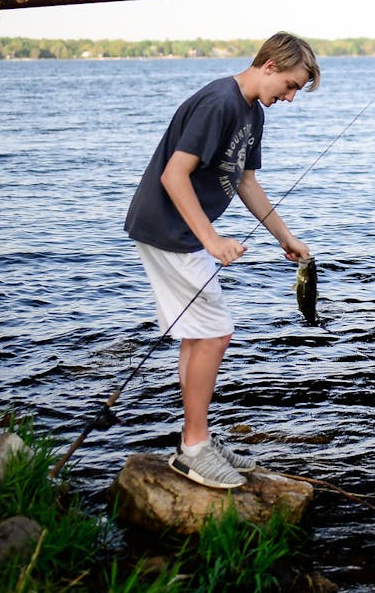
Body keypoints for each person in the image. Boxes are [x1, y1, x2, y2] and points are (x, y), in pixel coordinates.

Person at [125, 32, 320, 489]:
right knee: (215, 331)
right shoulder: (220, 102)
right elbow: (174, 174)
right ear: (269, 65)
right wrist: (211, 239)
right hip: (171, 231)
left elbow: (246, 182)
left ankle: (196, 440)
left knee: (200, 332)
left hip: (180, 233)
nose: (289, 98)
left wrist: (285, 237)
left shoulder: (252, 112)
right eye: (290, 85)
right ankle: (194, 448)